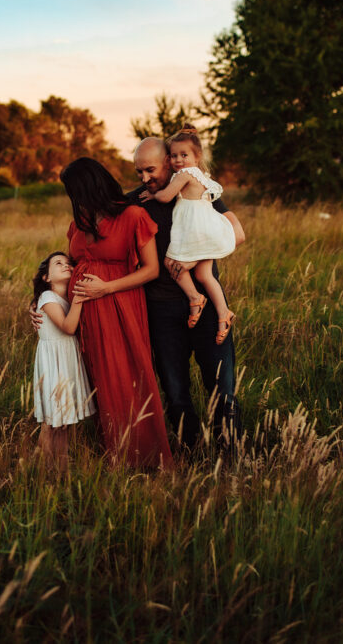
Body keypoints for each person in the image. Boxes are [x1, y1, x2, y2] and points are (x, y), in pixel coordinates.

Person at [128, 136, 246, 456]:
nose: (144, 178)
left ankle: (230, 459)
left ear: (168, 161)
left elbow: (237, 234)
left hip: (206, 306)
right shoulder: (136, 201)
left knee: (222, 390)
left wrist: (195, 258)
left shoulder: (195, 185)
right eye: (139, 171)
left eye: (150, 170)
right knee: (176, 393)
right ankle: (190, 456)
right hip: (161, 309)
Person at [62, 157, 173, 469]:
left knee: (126, 377)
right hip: (84, 316)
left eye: (75, 191)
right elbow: (68, 266)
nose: (74, 199)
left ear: (90, 187)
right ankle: (114, 452)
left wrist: (106, 288)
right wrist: (44, 303)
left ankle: (145, 455)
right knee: (98, 381)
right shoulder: (78, 223)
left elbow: (151, 270)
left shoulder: (132, 216)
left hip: (119, 308)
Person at [145, 128, 237, 344]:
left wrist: (152, 194)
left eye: (184, 155)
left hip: (195, 231)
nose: (178, 160)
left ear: (197, 157)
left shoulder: (185, 174)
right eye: (174, 155)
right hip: (204, 229)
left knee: (170, 262)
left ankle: (195, 298)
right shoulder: (200, 175)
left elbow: (166, 197)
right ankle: (224, 313)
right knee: (205, 276)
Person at [31, 251, 96, 467]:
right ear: (46, 277)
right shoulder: (47, 298)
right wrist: (79, 298)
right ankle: (42, 465)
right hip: (53, 363)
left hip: (66, 360)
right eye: (58, 263)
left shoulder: (63, 298)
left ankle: (60, 465)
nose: (65, 265)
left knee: (64, 421)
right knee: (53, 421)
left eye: (68, 263)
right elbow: (68, 327)